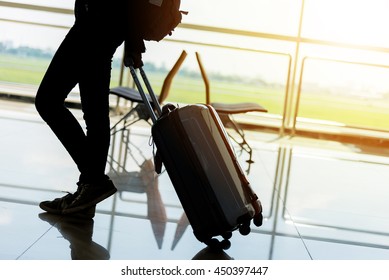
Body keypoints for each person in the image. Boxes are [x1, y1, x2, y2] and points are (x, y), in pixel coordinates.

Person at [35, 0, 145, 219]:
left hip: (97, 22)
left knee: (48, 101)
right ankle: (87, 196)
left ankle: (93, 181)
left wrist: (133, 41)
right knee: (95, 116)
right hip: (104, 23)